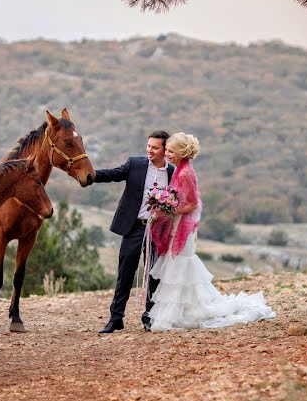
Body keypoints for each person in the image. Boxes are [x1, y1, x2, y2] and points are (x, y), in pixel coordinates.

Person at [146, 132, 275, 330]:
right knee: (176, 266)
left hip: (184, 227)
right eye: (167, 150)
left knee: (181, 265)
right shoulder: (180, 170)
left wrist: (169, 209)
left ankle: (186, 312)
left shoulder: (185, 173)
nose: (167, 154)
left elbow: (192, 204)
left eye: (171, 151)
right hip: (177, 225)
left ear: (181, 152)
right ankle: (183, 311)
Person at [88, 130, 174, 333]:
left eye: (154, 147)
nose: (149, 150)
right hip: (133, 227)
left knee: (154, 275)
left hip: (157, 231)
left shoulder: (172, 173)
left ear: (164, 150)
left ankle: (150, 318)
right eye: (148, 146)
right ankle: (115, 319)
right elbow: (113, 174)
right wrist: (90, 175)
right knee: (125, 274)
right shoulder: (135, 164)